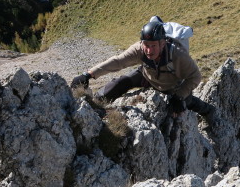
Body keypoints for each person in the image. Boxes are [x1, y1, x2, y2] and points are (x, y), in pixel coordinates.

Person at [70, 19, 216, 122]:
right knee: (121, 82)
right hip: (147, 76)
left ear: (162, 43)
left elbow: (195, 77)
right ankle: (96, 105)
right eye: (146, 45)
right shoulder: (139, 49)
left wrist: (179, 96)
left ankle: (209, 111)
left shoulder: (177, 56)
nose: (148, 50)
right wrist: (89, 74)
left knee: (187, 102)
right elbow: (118, 61)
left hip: (172, 87)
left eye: (153, 46)